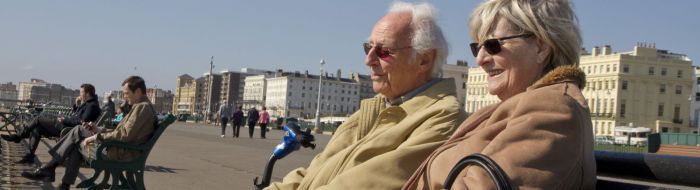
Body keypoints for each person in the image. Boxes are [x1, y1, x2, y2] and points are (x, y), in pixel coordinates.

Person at [265, 2, 464, 189]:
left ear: (424, 60)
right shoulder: (374, 109)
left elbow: (363, 184)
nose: (368, 60)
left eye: (384, 51)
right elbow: (314, 172)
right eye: (369, 48)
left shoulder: (443, 118)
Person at [402, 0, 595, 189]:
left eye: (493, 45)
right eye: (477, 47)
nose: (480, 59)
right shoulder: (509, 108)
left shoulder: (553, 108)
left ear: (541, 48)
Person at [20, 76, 157, 190]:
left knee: (78, 132)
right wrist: (98, 129)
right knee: (76, 140)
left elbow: (124, 135)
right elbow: (121, 132)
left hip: (120, 153)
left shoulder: (142, 108)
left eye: (127, 93)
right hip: (120, 149)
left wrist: (95, 137)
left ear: (138, 91)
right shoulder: (141, 107)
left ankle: (50, 169)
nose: (125, 97)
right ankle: (61, 182)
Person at [1, 83, 102, 164]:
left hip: (67, 129)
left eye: (81, 92)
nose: (79, 95)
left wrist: (63, 120)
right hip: (67, 126)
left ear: (87, 93)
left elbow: (80, 122)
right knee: (37, 129)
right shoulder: (88, 103)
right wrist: (77, 105)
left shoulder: (92, 106)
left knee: (39, 119)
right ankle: (30, 156)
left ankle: (19, 136)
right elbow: (77, 116)